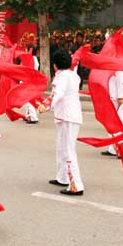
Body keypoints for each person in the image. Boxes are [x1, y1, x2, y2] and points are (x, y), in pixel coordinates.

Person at [39, 50, 84, 196]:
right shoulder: (72, 75)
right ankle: (63, 177)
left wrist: (45, 105)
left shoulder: (63, 77)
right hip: (66, 115)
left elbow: (57, 94)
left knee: (68, 150)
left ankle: (76, 184)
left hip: (67, 116)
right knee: (61, 148)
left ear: (55, 65)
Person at [24, 46, 40, 124]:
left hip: (30, 81)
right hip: (33, 80)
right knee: (28, 99)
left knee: (29, 99)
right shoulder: (35, 58)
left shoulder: (31, 59)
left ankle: (33, 117)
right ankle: (28, 115)